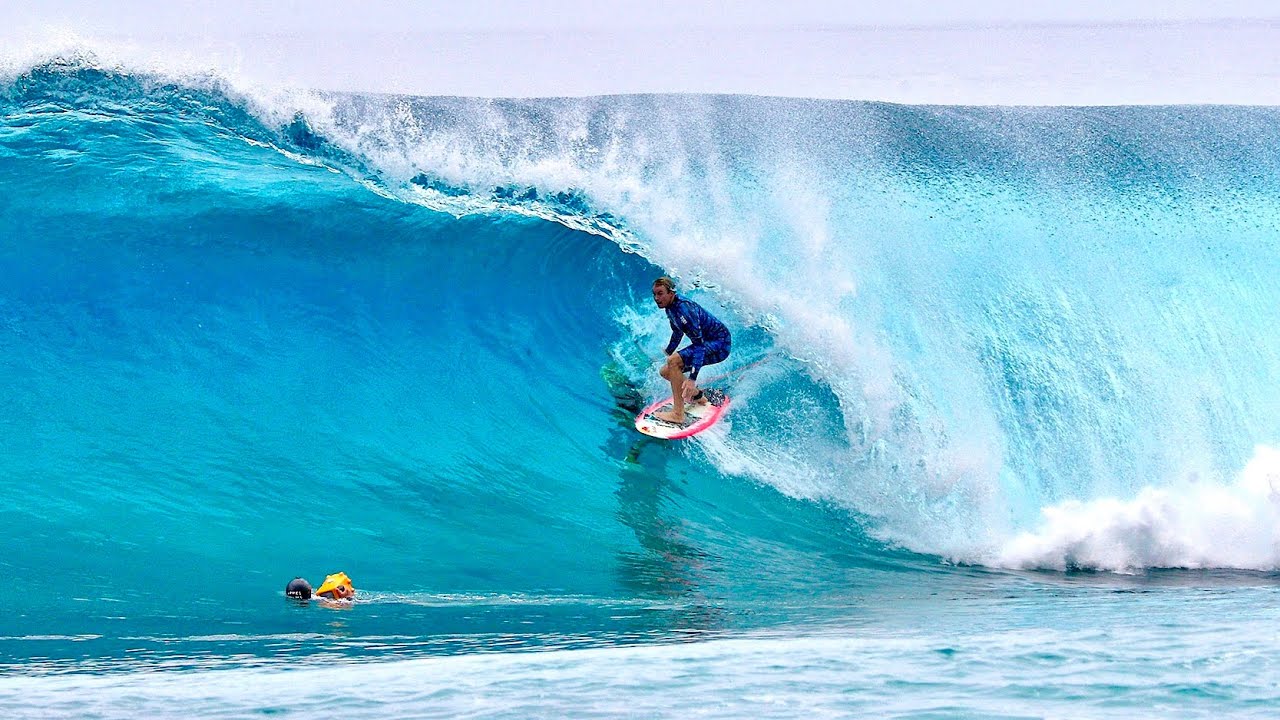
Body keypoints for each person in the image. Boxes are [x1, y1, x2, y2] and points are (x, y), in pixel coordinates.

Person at [651, 276, 731, 424]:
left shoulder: (684, 310)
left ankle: (678, 414)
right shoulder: (670, 308)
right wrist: (669, 350)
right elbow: (677, 332)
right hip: (708, 343)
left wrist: (692, 379)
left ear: (671, 293)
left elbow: (699, 346)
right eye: (654, 294)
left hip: (720, 343)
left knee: (673, 362)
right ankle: (698, 396)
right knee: (666, 371)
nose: (656, 298)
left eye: (660, 293)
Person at [284, 572, 356, 602]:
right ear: (310, 589)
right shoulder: (322, 600)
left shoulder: (318, 598)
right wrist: (348, 598)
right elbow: (339, 606)